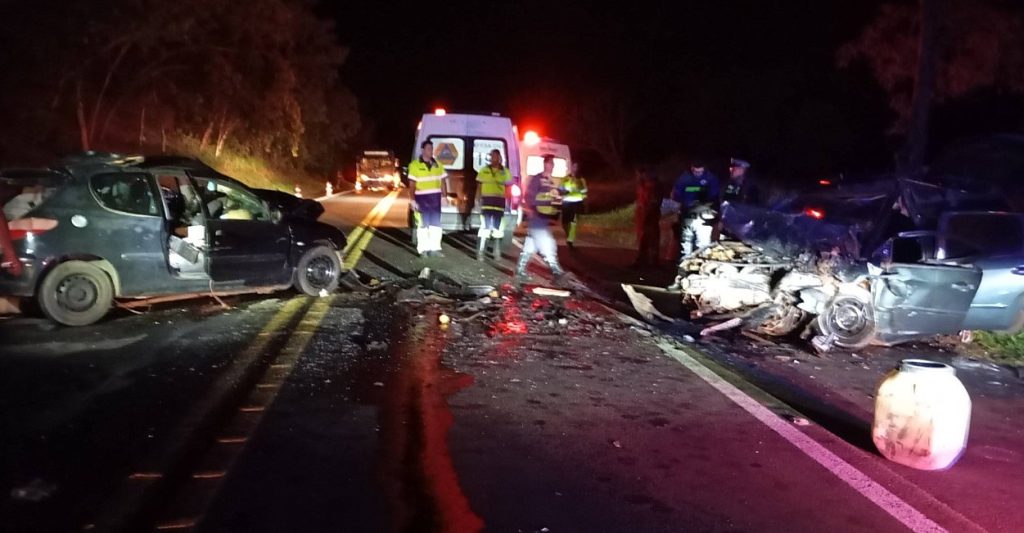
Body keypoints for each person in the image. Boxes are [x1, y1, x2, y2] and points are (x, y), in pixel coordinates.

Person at [515, 154, 565, 284]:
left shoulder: (551, 181)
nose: (553, 166)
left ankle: (520, 270)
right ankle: (557, 272)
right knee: (547, 243)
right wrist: (531, 210)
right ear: (545, 164)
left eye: (553, 164)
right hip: (536, 217)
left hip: (543, 218)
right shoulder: (537, 178)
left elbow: (552, 199)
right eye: (551, 163)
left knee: (530, 245)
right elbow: (529, 195)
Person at [670, 160, 719, 259]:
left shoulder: (710, 178)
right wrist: (698, 189)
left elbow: (714, 196)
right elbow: (676, 195)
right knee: (686, 244)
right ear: (691, 168)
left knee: (703, 246)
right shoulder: (684, 178)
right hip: (687, 214)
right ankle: (684, 268)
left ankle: (700, 269)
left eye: (699, 172)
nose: (697, 174)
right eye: (695, 171)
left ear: (704, 169)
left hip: (704, 215)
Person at [407, 140, 448, 257]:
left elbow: (443, 181)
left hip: (435, 199)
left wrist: (444, 196)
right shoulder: (415, 165)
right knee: (423, 225)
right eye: (428, 149)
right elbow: (412, 184)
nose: (431, 151)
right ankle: (423, 250)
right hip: (421, 199)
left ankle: (434, 248)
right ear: (423, 150)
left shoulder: (438, 164)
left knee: (436, 225)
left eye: (432, 148)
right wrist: (412, 199)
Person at [475, 149, 512, 261]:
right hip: (486, 203)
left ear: (499, 158)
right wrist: (477, 201)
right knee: (484, 228)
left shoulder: (505, 172)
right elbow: (479, 186)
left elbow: (508, 188)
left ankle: (496, 252)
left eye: (496, 156)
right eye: (492, 156)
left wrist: (509, 204)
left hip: (499, 204)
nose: (493, 158)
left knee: (498, 230)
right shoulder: (484, 170)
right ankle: (480, 252)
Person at [633, 166, 661, 267]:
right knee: (644, 238)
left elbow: (653, 202)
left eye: (638, 174)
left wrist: (647, 215)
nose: (637, 177)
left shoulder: (651, 186)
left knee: (651, 238)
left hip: (650, 215)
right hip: (644, 215)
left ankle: (652, 262)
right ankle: (643, 260)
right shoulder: (643, 185)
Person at [559, 162, 588, 247]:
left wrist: (584, 201)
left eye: (577, 167)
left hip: (577, 202)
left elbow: (585, 191)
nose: (575, 168)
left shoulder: (581, 180)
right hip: (566, 202)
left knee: (573, 222)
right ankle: (568, 235)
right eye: (573, 166)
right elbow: (560, 189)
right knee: (564, 223)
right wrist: (563, 192)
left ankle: (570, 240)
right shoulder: (565, 178)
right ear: (571, 167)